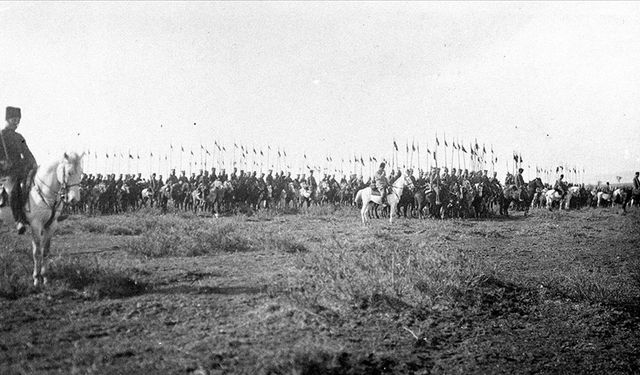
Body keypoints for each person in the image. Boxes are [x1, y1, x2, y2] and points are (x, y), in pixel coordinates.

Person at [0, 107, 38, 234]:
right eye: (14, 120)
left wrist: (34, 164)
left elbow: (27, 153)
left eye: (18, 120)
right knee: (14, 189)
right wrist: (2, 163)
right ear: (7, 119)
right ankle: (18, 220)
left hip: (20, 169)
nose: (16, 123)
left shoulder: (19, 136)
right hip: (5, 173)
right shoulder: (1, 136)